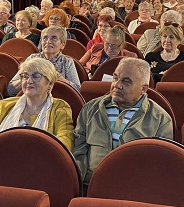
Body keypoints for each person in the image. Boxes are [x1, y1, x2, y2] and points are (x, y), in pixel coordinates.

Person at [73, 58, 174, 187]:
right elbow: (79, 151)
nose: (117, 85)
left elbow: (159, 164)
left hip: (133, 191)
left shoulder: (161, 120)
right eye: (115, 78)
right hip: (89, 185)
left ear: (143, 89)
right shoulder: (90, 108)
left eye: (126, 81)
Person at [0, 58, 74, 154]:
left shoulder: (60, 107)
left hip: (39, 167)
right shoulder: (5, 105)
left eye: (36, 76)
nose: (29, 81)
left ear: (50, 84)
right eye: (25, 76)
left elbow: (65, 141)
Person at [8, 26, 80, 96]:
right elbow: (11, 89)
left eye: (54, 38)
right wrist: (27, 78)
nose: (48, 41)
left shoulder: (67, 62)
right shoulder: (32, 58)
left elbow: (77, 90)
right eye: (45, 38)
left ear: (62, 45)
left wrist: (60, 79)